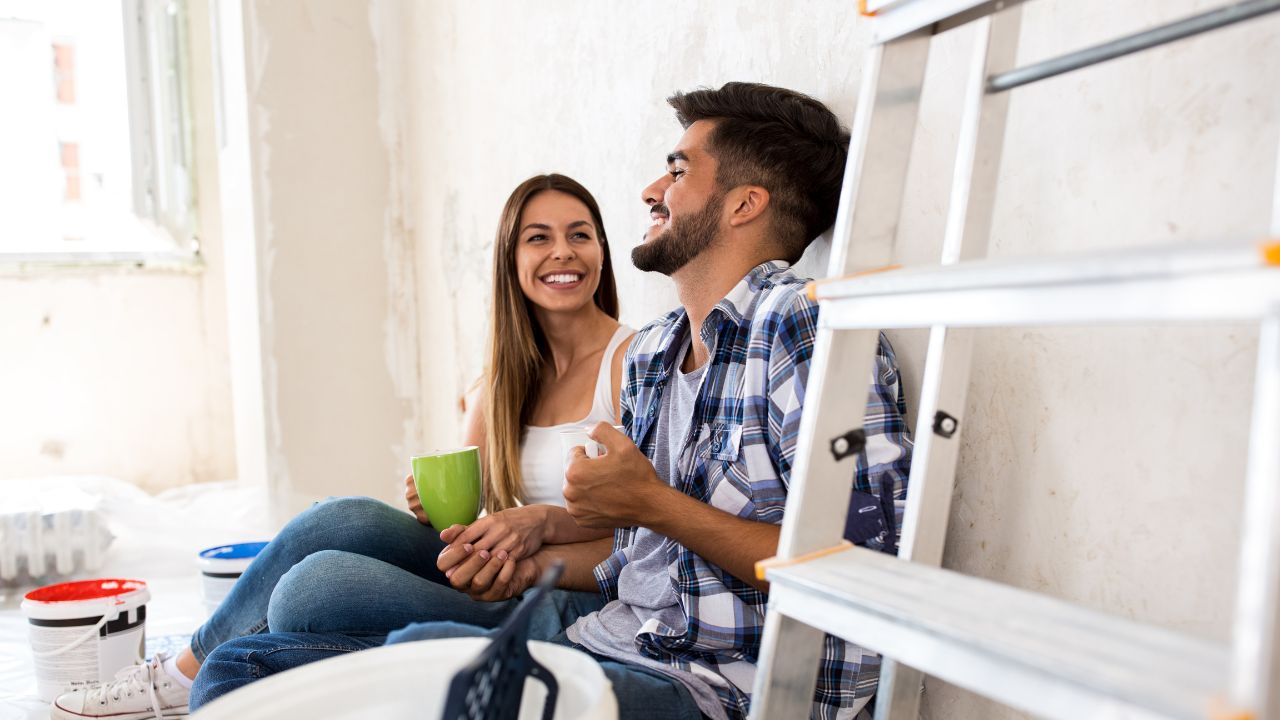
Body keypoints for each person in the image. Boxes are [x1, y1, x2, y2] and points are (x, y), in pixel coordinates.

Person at [188, 82, 913, 720]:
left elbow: (859, 569)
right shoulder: (661, 354)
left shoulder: (804, 330)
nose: (651, 191)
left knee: (420, 652)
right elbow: (634, 561)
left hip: (720, 690)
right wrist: (536, 535)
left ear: (744, 205)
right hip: (617, 639)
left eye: (678, 170)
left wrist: (648, 503)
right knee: (241, 667)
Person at [49, 173, 634, 720]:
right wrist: (444, 515)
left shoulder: (632, 365)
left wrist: (535, 543)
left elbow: (653, 540)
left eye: (579, 235)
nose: (563, 252)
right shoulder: (500, 383)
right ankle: (185, 673)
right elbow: (475, 519)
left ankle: (219, 670)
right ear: (511, 261)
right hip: (498, 576)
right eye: (540, 238)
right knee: (338, 518)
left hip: (569, 601)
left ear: (601, 251)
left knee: (309, 593)